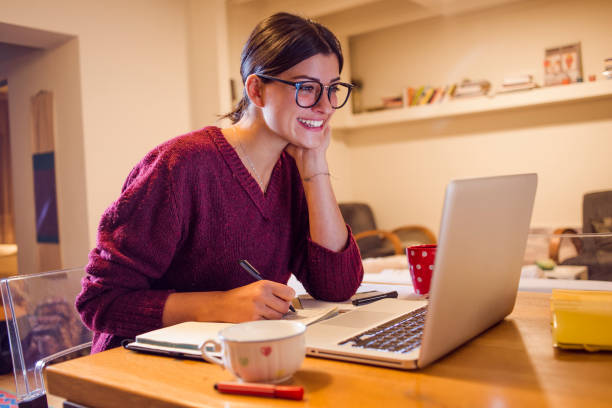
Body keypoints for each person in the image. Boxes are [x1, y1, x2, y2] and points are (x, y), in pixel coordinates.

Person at [76, 12, 364, 353]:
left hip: (232, 358)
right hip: (139, 364)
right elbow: (100, 302)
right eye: (306, 88)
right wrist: (217, 305)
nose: (324, 106)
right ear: (256, 89)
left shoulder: (292, 169)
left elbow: (337, 287)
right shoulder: (180, 165)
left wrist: (315, 165)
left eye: (333, 90)